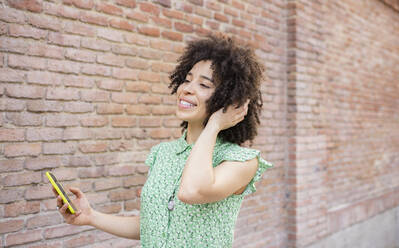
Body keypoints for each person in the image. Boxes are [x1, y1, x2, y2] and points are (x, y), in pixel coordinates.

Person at [53, 34, 273, 247]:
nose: (186, 89)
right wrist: (91, 217)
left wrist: (214, 125)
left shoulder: (241, 161)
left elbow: (192, 191)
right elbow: (152, 225)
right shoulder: (163, 153)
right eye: (187, 80)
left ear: (229, 100)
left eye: (204, 85)